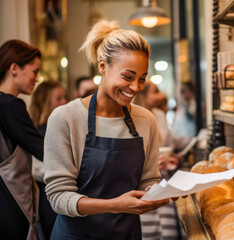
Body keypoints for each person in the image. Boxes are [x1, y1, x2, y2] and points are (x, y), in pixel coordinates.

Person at [43, 20, 176, 240]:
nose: (135, 87)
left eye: (142, 79)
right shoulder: (65, 118)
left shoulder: (146, 120)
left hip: (127, 235)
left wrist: (160, 192)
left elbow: (148, 178)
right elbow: (58, 197)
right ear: (103, 66)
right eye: (127, 76)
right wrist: (115, 205)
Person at [133, 81, 189, 240]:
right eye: (156, 91)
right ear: (143, 96)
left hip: (163, 179)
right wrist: (147, 164)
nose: (162, 95)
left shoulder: (159, 115)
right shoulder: (130, 118)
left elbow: (170, 143)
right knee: (148, 230)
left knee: (168, 228)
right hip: (141, 184)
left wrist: (173, 159)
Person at [0, 39, 44, 239]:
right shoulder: (10, 105)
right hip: (9, 196)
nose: (37, 78)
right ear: (14, 68)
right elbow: (41, 148)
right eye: (34, 71)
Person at [28, 80, 67, 239]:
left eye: (64, 97)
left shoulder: (62, 127)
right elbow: (35, 168)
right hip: (47, 196)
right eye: (58, 99)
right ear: (44, 101)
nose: (64, 102)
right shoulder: (36, 132)